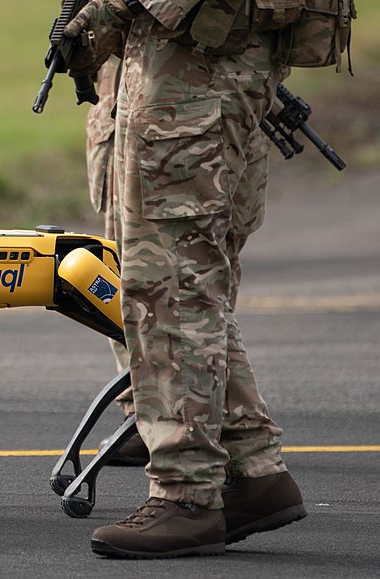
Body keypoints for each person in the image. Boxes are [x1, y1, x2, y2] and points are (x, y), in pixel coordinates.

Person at [64, 0, 306, 558]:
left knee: (169, 285)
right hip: (191, 61)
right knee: (183, 280)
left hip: (197, 66)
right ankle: (251, 470)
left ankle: (188, 495)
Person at [84, 56, 150, 467]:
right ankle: (147, 414)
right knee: (123, 275)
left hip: (169, 103)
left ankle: (174, 417)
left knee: (162, 285)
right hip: (122, 98)